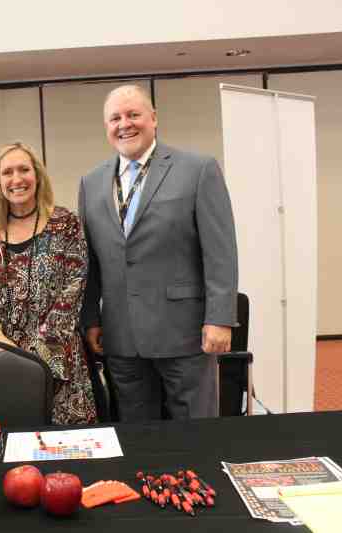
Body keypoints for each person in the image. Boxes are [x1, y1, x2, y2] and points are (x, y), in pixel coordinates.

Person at [78, 85, 238, 422]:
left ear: (154, 119)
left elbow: (220, 250)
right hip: (121, 335)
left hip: (185, 332)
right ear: (106, 126)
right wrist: (91, 318)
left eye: (134, 114)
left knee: (195, 427)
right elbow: (90, 259)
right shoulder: (90, 183)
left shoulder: (197, 169)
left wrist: (220, 317)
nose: (125, 124)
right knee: (138, 434)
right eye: (115, 118)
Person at [0, 141, 97, 425]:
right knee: (2, 446)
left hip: (57, 361)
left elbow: (75, 287)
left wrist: (34, 353)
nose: (16, 179)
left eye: (24, 169)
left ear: (37, 175)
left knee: (64, 452)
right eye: (7, 172)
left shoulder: (66, 223)